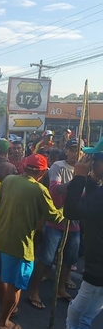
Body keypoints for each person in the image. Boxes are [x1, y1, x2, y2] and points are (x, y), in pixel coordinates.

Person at [0, 154, 65, 329]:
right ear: (43, 172)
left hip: (1, 237)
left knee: (2, 277)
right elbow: (53, 215)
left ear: (24, 167)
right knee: (16, 285)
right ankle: (3, 322)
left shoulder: (8, 180)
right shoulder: (39, 189)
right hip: (20, 245)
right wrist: (65, 209)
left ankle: (3, 311)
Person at [28, 139, 81, 310]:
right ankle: (34, 291)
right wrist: (77, 182)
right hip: (56, 220)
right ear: (66, 151)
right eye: (72, 149)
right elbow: (55, 189)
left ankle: (60, 289)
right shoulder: (59, 166)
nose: (76, 153)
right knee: (46, 258)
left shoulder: (84, 169)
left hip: (74, 222)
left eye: (79, 150)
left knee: (69, 258)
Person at [63, 139, 103, 329]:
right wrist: (92, 181)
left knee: (77, 317)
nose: (90, 163)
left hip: (98, 271)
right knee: (84, 316)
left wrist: (79, 178)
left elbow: (71, 211)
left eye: (94, 158)